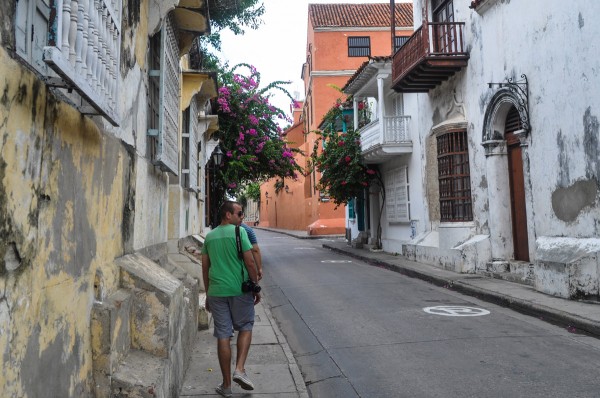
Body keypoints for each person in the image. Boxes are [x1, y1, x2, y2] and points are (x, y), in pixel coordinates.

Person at [201, 201, 261, 397]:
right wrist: (255, 285)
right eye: (239, 213)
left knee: (223, 335)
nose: (242, 217)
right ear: (228, 215)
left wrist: (208, 293)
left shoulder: (209, 237)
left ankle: (226, 386)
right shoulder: (239, 233)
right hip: (238, 290)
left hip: (217, 292)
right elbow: (250, 261)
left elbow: (205, 268)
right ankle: (240, 370)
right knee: (245, 327)